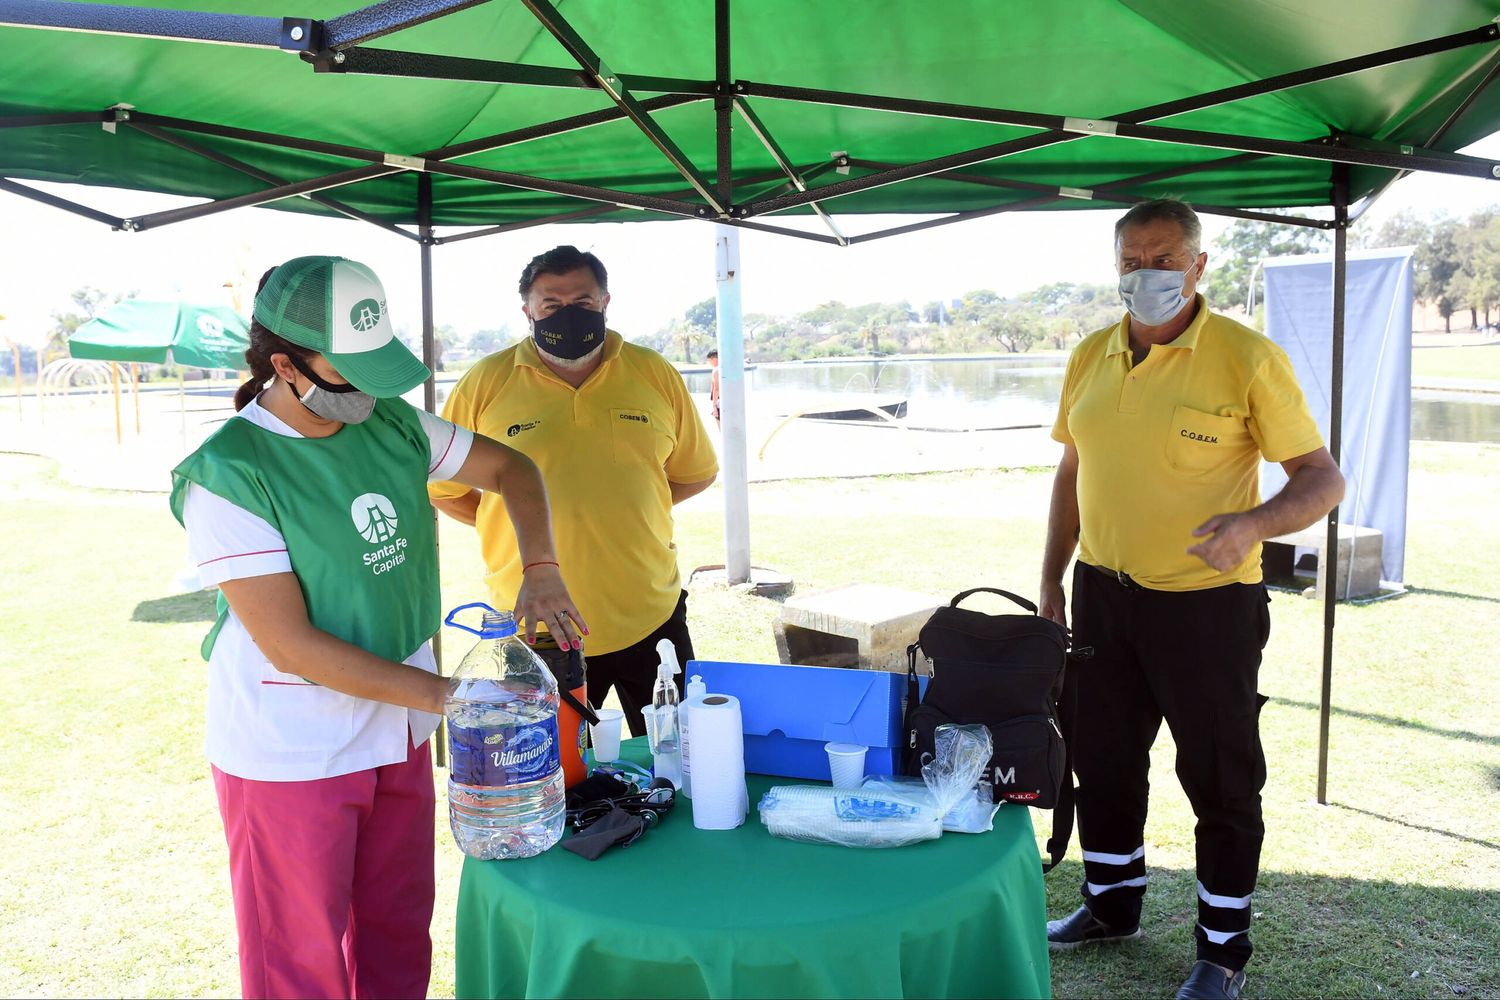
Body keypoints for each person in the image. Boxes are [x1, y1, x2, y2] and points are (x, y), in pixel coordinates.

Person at [171, 256, 585, 1000]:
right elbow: (291, 644)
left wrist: (541, 564)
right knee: (298, 960)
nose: (367, 389)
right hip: (292, 748)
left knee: (397, 930)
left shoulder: (392, 421)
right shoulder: (230, 472)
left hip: (398, 731)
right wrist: (454, 696)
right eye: (348, 370)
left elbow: (515, 470)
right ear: (284, 365)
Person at [1038, 200, 1344, 1000]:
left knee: (1221, 778)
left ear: (1200, 265)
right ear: (1116, 269)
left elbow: (1322, 478)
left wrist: (1254, 524)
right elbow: (1072, 474)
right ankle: (1109, 905)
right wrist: (1050, 581)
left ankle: (1221, 949)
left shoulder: (1248, 357)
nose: (1148, 274)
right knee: (1101, 759)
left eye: (1165, 258)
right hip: (1102, 594)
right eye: (1132, 261)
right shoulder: (1091, 355)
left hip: (1208, 608)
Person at [430, 245, 718, 735]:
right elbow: (446, 489)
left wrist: (627, 511)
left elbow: (694, 472)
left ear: (605, 302)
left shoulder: (653, 373)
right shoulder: (485, 383)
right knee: (551, 776)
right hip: (533, 625)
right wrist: (515, 528)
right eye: (551, 305)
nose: (567, 315)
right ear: (528, 312)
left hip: (649, 611)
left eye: (582, 303)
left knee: (681, 759)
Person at [706, 348, 721, 427]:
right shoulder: (726, 368)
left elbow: (716, 389)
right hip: (730, 402)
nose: (709, 363)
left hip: (720, 402)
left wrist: (714, 406)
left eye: (709, 360)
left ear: (714, 359)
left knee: (722, 430)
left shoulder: (716, 370)